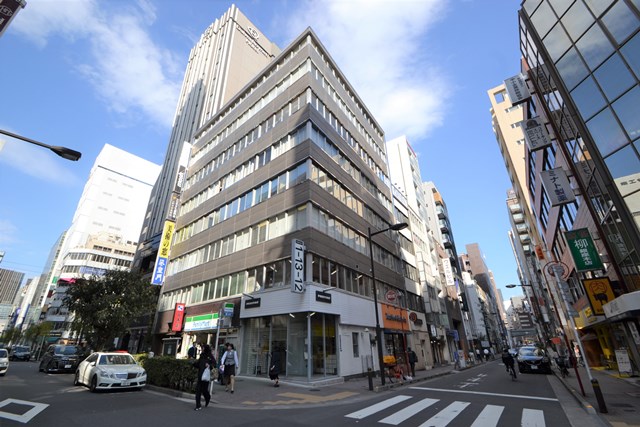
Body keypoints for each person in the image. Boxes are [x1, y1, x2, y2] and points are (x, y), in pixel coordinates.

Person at [194, 344, 214, 411]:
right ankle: (198, 405)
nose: (202, 349)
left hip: (206, 377)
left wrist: (209, 365)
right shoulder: (201, 356)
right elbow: (198, 364)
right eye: (202, 348)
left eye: (203, 348)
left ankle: (207, 397)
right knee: (198, 391)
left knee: (204, 390)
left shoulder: (210, 356)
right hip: (200, 376)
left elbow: (214, 364)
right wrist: (193, 363)